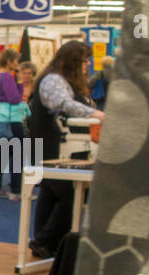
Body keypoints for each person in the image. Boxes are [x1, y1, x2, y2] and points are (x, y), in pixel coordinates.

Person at [26, 40, 103, 261]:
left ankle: (46, 244)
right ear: (72, 62)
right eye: (84, 61)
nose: (87, 65)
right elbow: (62, 103)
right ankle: (43, 240)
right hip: (50, 147)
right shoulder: (53, 81)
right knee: (69, 194)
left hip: (60, 148)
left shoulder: (62, 80)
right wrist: (96, 114)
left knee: (52, 194)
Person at [0, 48, 28, 201]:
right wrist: (19, 81)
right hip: (12, 119)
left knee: (0, 155)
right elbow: (15, 99)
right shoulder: (7, 77)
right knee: (16, 155)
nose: (18, 64)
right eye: (16, 61)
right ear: (10, 61)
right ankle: (15, 191)